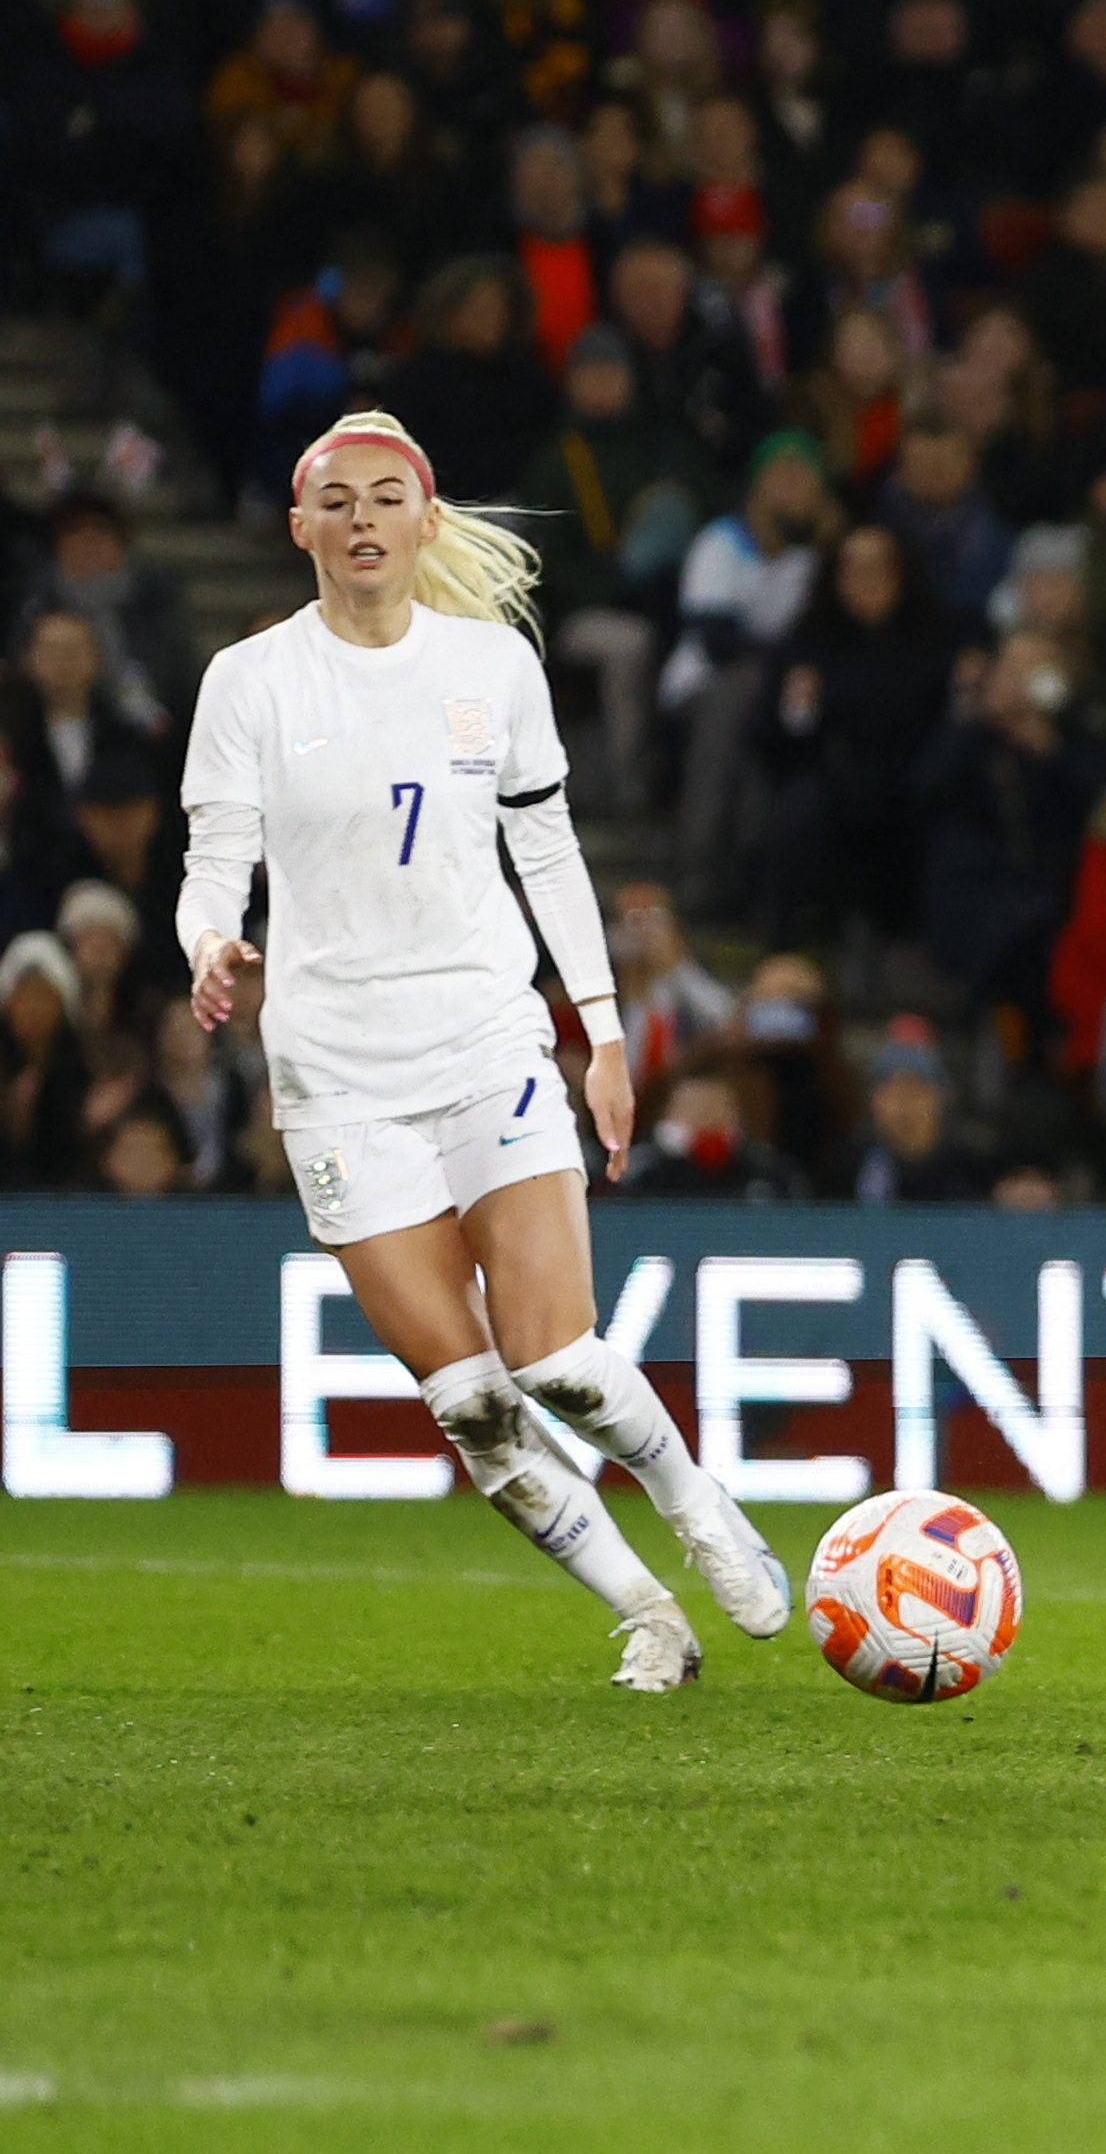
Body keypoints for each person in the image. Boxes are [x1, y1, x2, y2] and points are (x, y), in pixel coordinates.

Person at [175, 410, 785, 1692]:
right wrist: (208, 941)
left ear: (425, 520)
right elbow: (215, 858)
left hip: (481, 1029)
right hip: (334, 1068)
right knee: (467, 1398)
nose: (361, 519)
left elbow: (548, 849)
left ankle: (699, 1510)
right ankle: (647, 1615)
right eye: (335, 499)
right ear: (299, 528)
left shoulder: (492, 664)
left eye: (387, 496)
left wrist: (604, 1031)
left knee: (556, 1352)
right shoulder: (250, 678)